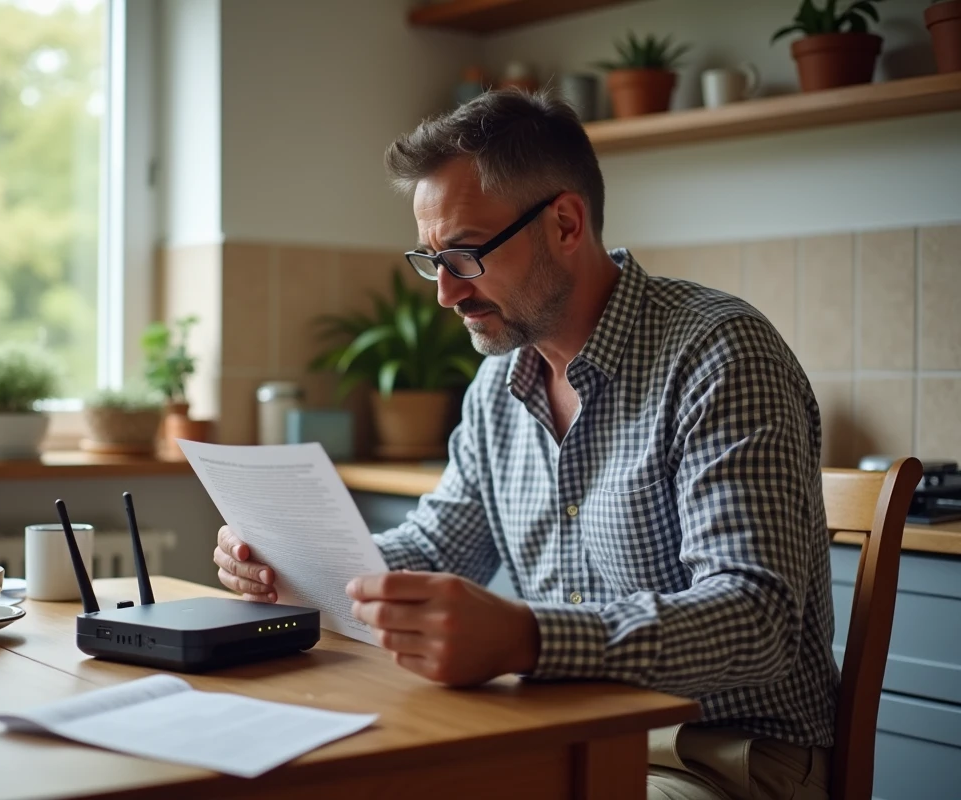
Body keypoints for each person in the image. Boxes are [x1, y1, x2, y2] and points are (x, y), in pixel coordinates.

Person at [213, 90, 835, 800]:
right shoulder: (498, 384)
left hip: (716, 758)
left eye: (466, 255)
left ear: (566, 223)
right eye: (431, 258)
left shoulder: (719, 354)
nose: (445, 294)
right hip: (556, 731)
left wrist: (528, 638)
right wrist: (297, 565)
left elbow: (756, 623)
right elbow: (439, 543)